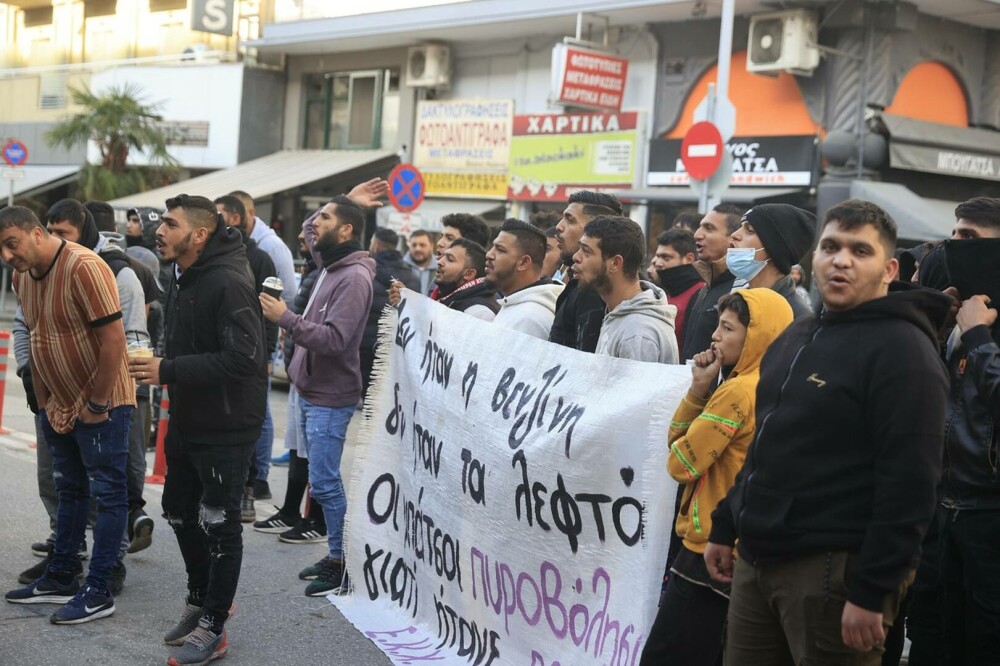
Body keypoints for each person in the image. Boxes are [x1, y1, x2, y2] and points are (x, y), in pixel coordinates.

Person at [704, 199, 951, 666]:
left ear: (888, 267)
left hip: (833, 575)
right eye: (831, 247)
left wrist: (873, 590)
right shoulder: (798, 335)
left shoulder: (905, 352)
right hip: (755, 560)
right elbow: (767, 443)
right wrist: (728, 522)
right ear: (813, 258)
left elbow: (912, 483)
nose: (841, 260)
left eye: (861, 251)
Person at [131, 194, 268, 665]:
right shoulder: (181, 272)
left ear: (200, 234)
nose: (159, 231)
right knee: (176, 511)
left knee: (219, 523)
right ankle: (201, 598)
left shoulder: (228, 282)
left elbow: (244, 358)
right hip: (189, 418)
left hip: (228, 425)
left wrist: (166, 368)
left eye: (170, 224)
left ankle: (214, 624)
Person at [640, 289, 793, 665]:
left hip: (706, 546)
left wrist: (697, 391)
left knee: (668, 654)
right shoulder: (776, 384)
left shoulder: (738, 392)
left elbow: (680, 463)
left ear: (757, 336)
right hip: (744, 548)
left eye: (728, 328)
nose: (715, 336)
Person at [1, 205, 134, 625]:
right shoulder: (22, 274)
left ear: (36, 233)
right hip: (55, 403)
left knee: (108, 494)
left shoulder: (85, 266)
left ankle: (98, 591)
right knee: (69, 490)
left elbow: (113, 341)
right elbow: (37, 334)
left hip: (102, 403)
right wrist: (42, 400)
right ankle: (61, 575)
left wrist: (96, 405)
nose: (7, 256)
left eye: (11, 244)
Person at [259, 195, 374, 597]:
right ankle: (335, 555)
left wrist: (284, 318)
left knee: (325, 484)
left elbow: (337, 340)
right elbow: (309, 229)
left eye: (326, 218)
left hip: (330, 396)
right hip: (309, 389)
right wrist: (348, 199)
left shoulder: (354, 278)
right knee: (320, 481)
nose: (314, 225)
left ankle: (343, 563)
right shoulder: (331, 264)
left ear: (345, 230)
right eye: (318, 217)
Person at [45, 199, 154, 584]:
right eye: (52, 233)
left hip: (113, 395)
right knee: (65, 481)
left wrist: (114, 394)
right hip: (62, 394)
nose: (57, 242)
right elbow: (36, 329)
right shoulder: (47, 270)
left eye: (65, 234)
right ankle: (65, 554)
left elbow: (129, 337)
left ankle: (111, 564)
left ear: (84, 232)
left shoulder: (117, 273)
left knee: (116, 481)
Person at [913, 198, 1000, 665]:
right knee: (937, 632)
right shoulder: (958, 312)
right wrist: (933, 321)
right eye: (956, 233)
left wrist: (980, 339)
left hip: (989, 510)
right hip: (942, 506)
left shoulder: (980, 327)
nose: (956, 245)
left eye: (971, 237)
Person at [254, 229, 328, 548]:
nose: (303, 236)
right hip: (300, 366)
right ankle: (290, 510)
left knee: (319, 458)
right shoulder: (314, 270)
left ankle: (319, 522)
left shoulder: (337, 274)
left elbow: (333, 334)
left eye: (314, 231)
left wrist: (287, 320)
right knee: (299, 448)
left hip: (320, 376)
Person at [214, 194, 280, 509]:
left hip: (253, 357)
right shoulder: (208, 257)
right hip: (220, 357)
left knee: (254, 419)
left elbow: (270, 312)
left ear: (235, 219)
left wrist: (266, 355)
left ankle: (253, 485)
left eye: (218, 214)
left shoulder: (262, 258)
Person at [573, 215, 678, 363]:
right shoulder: (620, 315)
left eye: (586, 251)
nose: (576, 257)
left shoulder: (637, 334)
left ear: (615, 263)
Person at [549, 191, 624, 352]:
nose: (559, 226)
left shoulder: (594, 289)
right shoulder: (580, 283)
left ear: (593, 230)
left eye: (570, 220)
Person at [727, 203, 816, 318]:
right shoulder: (738, 301)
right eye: (740, 227)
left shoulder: (796, 318)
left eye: (749, 230)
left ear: (775, 248)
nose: (735, 234)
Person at [362, 227, 419, 397]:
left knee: (368, 400)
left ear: (377, 246)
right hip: (396, 347)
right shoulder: (411, 276)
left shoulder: (367, 272)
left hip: (365, 347)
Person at [683, 204, 743, 361]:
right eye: (699, 227)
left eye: (709, 228)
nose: (697, 235)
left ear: (733, 238)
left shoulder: (740, 290)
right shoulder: (705, 288)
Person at [486, 218, 563, 339]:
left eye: (500, 250)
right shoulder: (516, 305)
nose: (489, 255)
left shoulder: (530, 318)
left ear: (523, 262)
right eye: (492, 247)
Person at [391, 238, 500, 321]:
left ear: (469, 274)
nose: (440, 262)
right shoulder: (444, 298)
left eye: (450, 260)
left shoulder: (479, 313)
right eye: (443, 256)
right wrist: (405, 304)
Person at [651, 228, 705, 354]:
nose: (658, 263)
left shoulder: (700, 294)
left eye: (666, 257)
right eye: (657, 256)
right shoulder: (663, 292)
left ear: (689, 259)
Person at [402, 229, 437, 296]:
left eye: (422, 245)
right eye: (414, 245)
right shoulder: (400, 268)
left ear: (431, 247)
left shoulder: (440, 270)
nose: (417, 249)